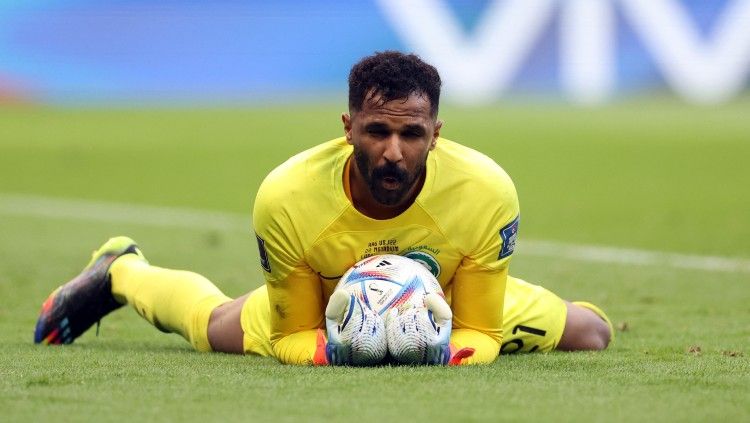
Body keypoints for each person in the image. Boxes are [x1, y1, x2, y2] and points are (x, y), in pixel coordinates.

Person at [34, 51, 612, 365]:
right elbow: (293, 338)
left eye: (411, 134)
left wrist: (424, 340)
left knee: (593, 334)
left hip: (450, 298)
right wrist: (354, 340)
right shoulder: (287, 198)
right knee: (212, 327)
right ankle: (121, 271)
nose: (392, 152)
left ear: (436, 134)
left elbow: (480, 331)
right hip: (325, 304)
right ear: (348, 128)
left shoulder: (486, 191)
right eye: (376, 131)